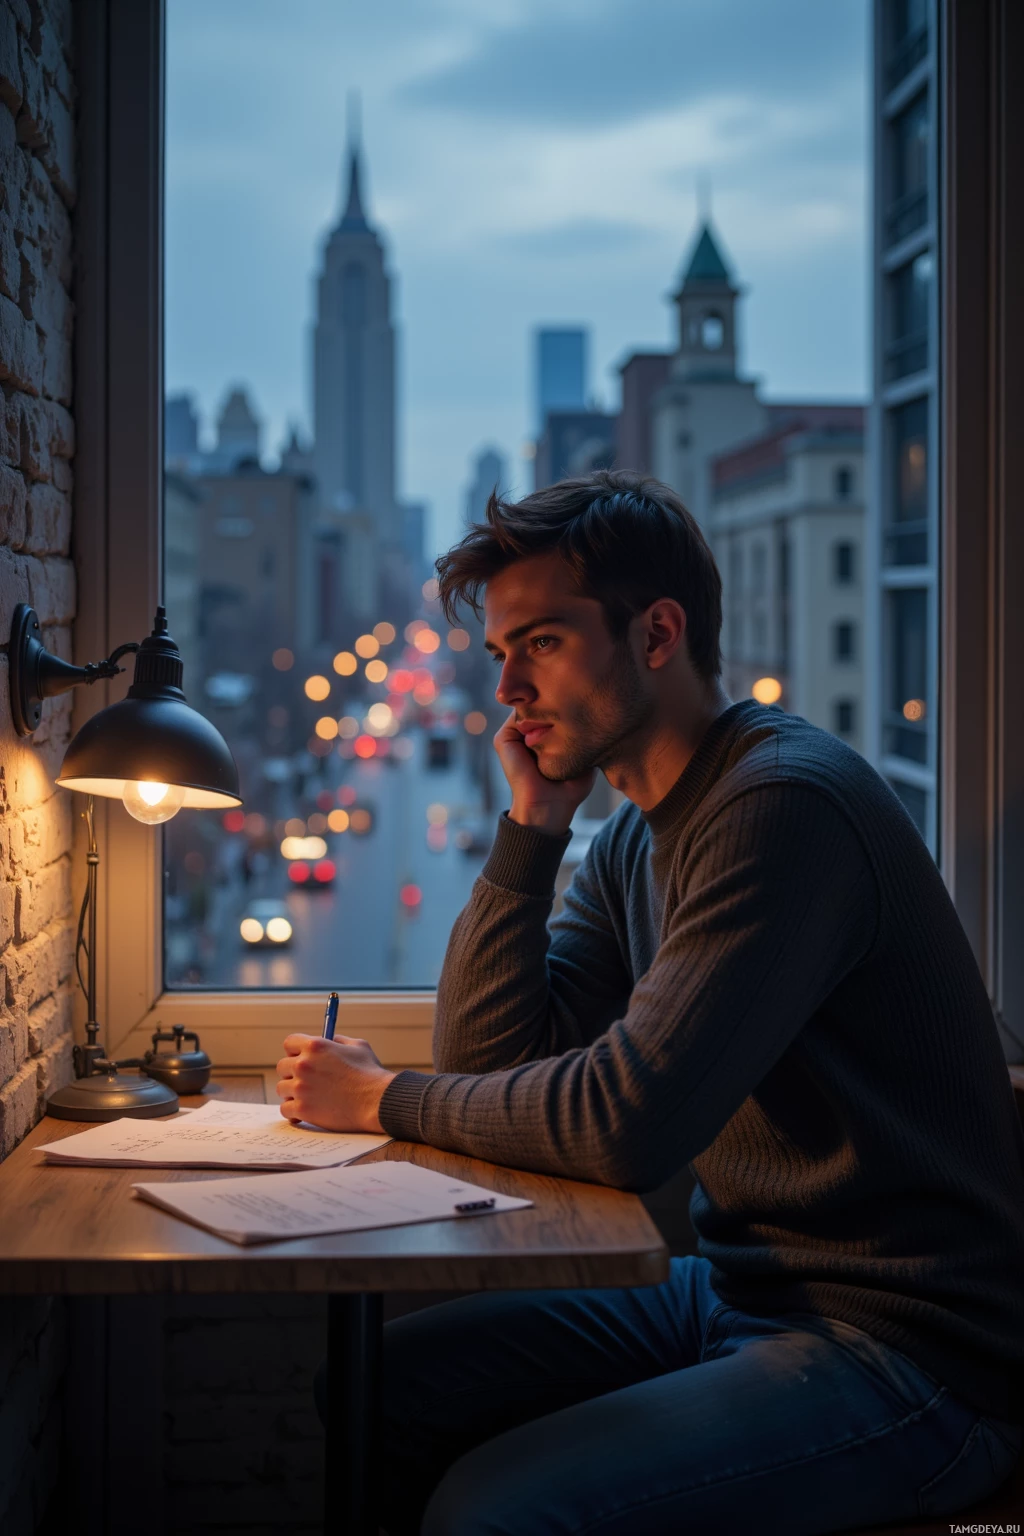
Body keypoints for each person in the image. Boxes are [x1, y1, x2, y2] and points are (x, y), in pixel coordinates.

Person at [277, 471, 1024, 1535]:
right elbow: (496, 1058)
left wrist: (385, 1099)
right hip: (737, 1292)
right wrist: (532, 828)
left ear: (657, 633)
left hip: (907, 1349)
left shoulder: (780, 808)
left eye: (539, 643)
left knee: (490, 1512)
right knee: (374, 1391)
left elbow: (625, 1123)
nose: (507, 693)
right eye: (500, 655)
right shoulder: (634, 830)